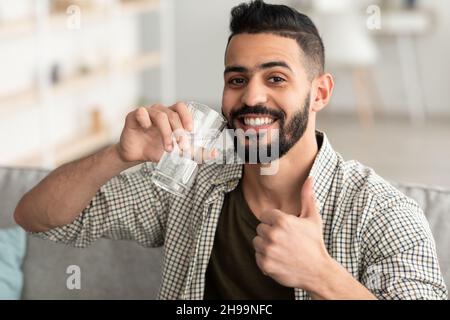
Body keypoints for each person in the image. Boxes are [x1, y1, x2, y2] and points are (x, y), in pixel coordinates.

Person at [14, 0, 447, 300]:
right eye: (237, 80)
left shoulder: (381, 211)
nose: (250, 98)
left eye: (275, 78)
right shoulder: (188, 182)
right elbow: (37, 219)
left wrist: (322, 276)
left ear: (320, 93)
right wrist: (117, 156)